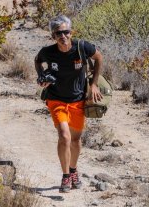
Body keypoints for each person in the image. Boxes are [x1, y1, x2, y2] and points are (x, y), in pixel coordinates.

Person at [34, 15, 103, 193]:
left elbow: (99, 58)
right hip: (56, 99)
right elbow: (37, 60)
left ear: (71, 33)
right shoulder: (48, 52)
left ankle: (73, 170)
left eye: (66, 32)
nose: (63, 36)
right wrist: (41, 76)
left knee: (76, 140)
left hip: (78, 100)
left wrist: (94, 84)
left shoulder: (82, 47)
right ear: (53, 36)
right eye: (58, 33)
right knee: (64, 136)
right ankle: (66, 177)